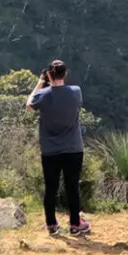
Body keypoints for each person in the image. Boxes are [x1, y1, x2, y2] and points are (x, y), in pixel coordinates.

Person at [26, 59, 91, 236]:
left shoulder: (43, 95)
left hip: (50, 150)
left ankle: (52, 225)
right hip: (73, 148)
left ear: (49, 74)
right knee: (72, 187)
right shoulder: (76, 91)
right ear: (65, 73)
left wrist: (40, 82)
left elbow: (29, 104)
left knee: (51, 187)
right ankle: (75, 225)